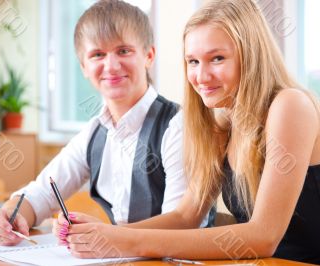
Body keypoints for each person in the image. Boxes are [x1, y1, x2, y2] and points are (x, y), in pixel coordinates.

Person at [59, 0, 320, 264]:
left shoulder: (290, 106)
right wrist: (105, 234)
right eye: (193, 61)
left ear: (251, 55)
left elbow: (264, 236)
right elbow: (186, 217)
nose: (201, 75)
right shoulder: (223, 127)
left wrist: (124, 240)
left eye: (217, 58)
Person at [0, 0, 214, 247]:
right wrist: (12, 214)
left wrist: (106, 235)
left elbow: (182, 224)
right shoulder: (95, 132)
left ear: (148, 55)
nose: (111, 66)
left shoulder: (178, 126)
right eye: (97, 55)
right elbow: (41, 193)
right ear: (84, 67)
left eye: (124, 51)